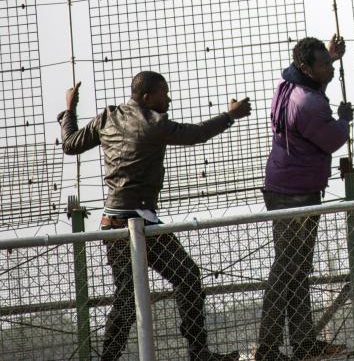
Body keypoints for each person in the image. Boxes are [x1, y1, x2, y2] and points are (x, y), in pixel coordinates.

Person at [58, 72, 251, 361]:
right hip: (136, 222)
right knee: (183, 279)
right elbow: (196, 134)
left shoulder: (107, 117)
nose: (169, 98)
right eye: (164, 93)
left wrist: (69, 111)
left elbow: (70, 143)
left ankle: (112, 357)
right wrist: (230, 116)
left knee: (132, 294)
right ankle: (197, 353)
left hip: (117, 221)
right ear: (147, 97)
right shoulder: (154, 124)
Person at [255, 35, 352, 361]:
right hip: (296, 193)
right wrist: (344, 120)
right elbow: (331, 140)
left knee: (294, 270)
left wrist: (331, 58)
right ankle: (267, 349)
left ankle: (303, 342)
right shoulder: (309, 103)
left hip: (282, 185)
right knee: (287, 271)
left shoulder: (287, 88)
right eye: (324, 63)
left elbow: (312, 90)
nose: (330, 67)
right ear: (305, 67)